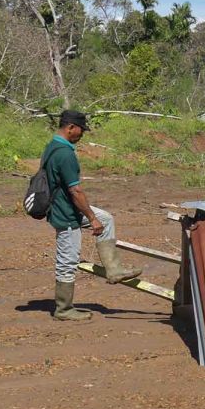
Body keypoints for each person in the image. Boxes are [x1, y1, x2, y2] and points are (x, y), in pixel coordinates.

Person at [42, 109, 141, 320]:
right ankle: (63, 309)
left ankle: (113, 269)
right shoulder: (65, 154)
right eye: (81, 130)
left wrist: (95, 217)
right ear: (71, 127)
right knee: (67, 262)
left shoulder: (52, 146)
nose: (82, 134)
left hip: (64, 206)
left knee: (106, 218)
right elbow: (75, 191)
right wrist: (91, 218)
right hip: (66, 213)